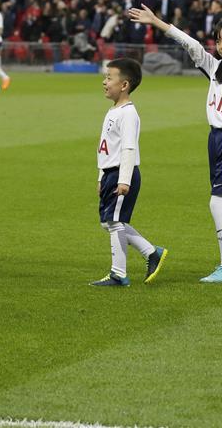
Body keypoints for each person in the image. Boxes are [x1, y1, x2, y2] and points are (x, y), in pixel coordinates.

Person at [128, 4, 222, 283]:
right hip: (215, 140)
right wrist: (157, 22)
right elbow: (190, 43)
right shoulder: (215, 69)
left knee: (217, 204)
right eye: (219, 39)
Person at [92, 59, 168, 286]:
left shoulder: (128, 113)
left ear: (124, 85)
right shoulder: (114, 110)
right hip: (110, 173)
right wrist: (100, 176)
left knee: (114, 222)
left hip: (121, 174)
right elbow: (106, 147)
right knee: (109, 222)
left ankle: (118, 274)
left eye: (109, 78)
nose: (104, 82)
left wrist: (123, 180)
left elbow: (128, 147)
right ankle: (151, 252)